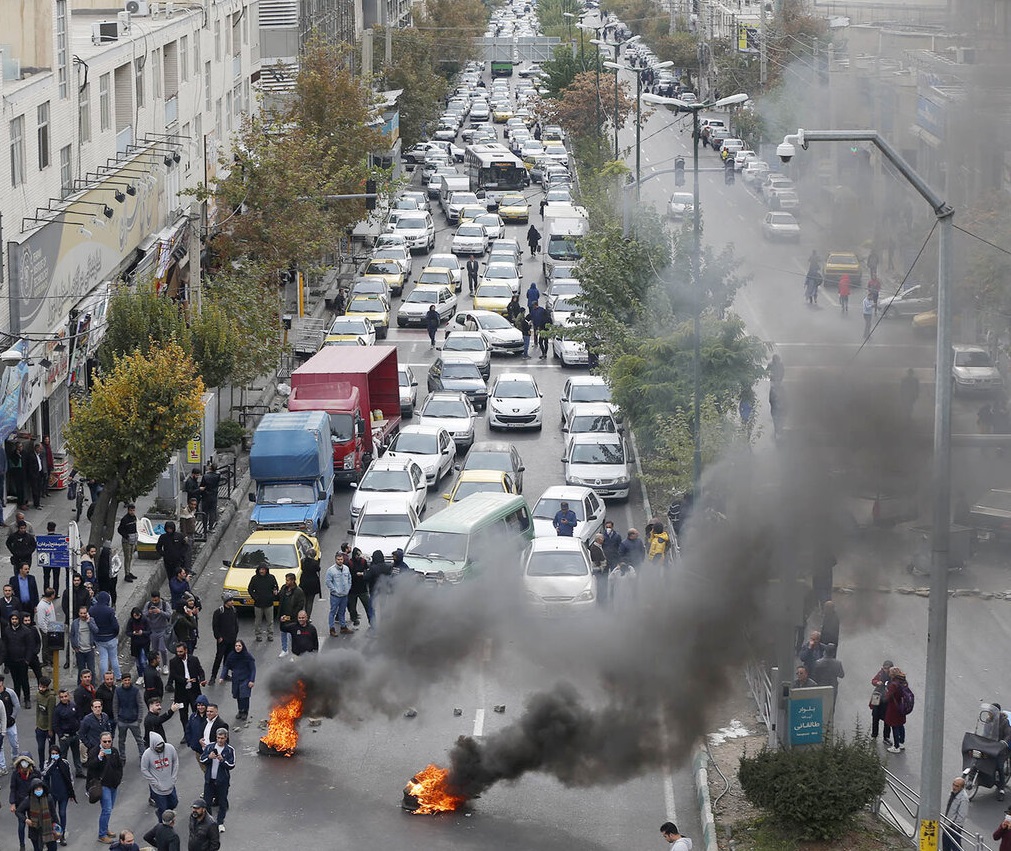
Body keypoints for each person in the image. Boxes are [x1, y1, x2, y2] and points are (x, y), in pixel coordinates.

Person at [85, 731, 123, 843]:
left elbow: (119, 766)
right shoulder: (94, 751)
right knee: (106, 809)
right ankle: (102, 834)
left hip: (113, 784)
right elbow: (90, 766)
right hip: (102, 785)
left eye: (109, 741)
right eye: (104, 741)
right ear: (100, 741)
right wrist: (99, 758)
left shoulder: (114, 751)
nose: (107, 744)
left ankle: (105, 828)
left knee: (109, 809)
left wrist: (118, 779)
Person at [167, 644, 206, 740]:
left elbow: (200, 671)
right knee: (183, 716)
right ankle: (187, 734)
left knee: (197, 712)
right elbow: (174, 675)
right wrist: (185, 680)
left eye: (181, 651)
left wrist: (202, 680)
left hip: (194, 691)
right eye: (177, 652)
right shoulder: (173, 662)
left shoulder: (194, 659)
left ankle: (199, 732)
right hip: (181, 694)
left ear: (186, 650)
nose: (179, 654)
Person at [199, 729, 235, 832]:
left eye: (222, 738)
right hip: (209, 780)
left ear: (226, 738)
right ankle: (209, 822)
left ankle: (220, 822)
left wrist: (222, 761)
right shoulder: (210, 747)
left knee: (222, 803)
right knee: (207, 802)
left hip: (222, 781)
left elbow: (232, 765)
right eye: (218, 738)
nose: (220, 740)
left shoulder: (229, 750)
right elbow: (202, 759)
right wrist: (209, 757)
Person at [42, 742, 76, 847]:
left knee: (62, 813)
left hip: (64, 794)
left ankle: (62, 835)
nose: (54, 755)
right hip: (52, 794)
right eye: (52, 753)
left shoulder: (64, 763)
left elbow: (70, 778)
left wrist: (71, 792)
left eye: (56, 753)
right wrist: (53, 763)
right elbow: (44, 775)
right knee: (52, 815)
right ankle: (51, 834)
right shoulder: (47, 763)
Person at [140, 732, 179, 822]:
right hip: (158, 789)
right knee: (163, 808)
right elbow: (144, 769)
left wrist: (173, 777)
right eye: (158, 748)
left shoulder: (170, 748)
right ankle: (163, 824)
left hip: (170, 784)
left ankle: (166, 815)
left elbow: (175, 761)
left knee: (174, 803)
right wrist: (155, 783)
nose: (160, 749)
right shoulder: (147, 754)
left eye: (162, 747)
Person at [17, 776, 60, 851]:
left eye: (40, 788)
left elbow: (53, 813)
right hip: (35, 830)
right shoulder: (28, 800)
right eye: (36, 789)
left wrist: (58, 827)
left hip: (48, 829)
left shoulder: (48, 798)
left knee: (53, 848)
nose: (39, 790)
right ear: (33, 790)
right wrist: (26, 819)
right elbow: (18, 811)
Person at [218, 641, 255, 723]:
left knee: (244, 696)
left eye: (239, 646)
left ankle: (245, 711)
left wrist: (252, 680)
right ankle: (240, 710)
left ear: (243, 647)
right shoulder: (231, 655)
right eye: (236, 646)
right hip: (236, 679)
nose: (237, 647)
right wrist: (222, 677)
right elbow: (226, 666)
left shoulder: (247, 656)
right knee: (238, 695)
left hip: (245, 678)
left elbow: (253, 669)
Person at [10, 754, 41, 850]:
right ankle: (22, 845)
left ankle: (38, 844)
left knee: (35, 824)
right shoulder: (16, 774)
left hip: (33, 801)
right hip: (20, 801)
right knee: (22, 824)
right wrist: (12, 803)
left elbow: (40, 786)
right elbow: (13, 788)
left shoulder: (35, 773)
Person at [52, 688, 84, 778]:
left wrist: (79, 728)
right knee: (63, 756)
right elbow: (55, 724)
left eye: (65, 696)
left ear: (69, 696)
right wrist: (61, 735)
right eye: (62, 697)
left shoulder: (73, 705)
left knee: (77, 754)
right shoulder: (57, 709)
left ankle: (79, 771)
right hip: (65, 737)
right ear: (59, 698)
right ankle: (63, 772)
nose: (64, 698)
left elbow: (78, 717)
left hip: (75, 735)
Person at [6, 612, 35, 706]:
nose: (14, 621)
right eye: (12, 619)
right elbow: (5, 646)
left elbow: (30, 646)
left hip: (22, 660)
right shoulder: (7, 630)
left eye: (16, 619)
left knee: (24, 680)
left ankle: (27, 699)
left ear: (19, 620)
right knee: (16, 681)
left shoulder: (26, 631)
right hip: (12, 660)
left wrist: (27, 660)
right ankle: (16, 698)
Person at [113, 673, 145, 760]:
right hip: (122, 720)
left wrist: (139, 719)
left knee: (139, 740)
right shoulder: (118, 691)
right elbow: (115, 704)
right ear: (122, 681)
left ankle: (143, 756)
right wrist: (116, 718)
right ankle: (122, 757)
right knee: (121, 741)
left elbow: (140, 704)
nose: (127, 682)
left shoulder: (136, 690)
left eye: (128, 680)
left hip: (134, 720)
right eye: (125, 680)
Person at [208, 595, 238, 682]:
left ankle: (225, 674)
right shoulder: (219, 612)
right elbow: (215, 626)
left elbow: (235, 623)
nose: (232, 602)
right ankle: (213, 676)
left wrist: (235, 634)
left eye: (232, 600)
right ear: (225, 602)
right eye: (230, 600)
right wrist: (218, 637)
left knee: (228, 658)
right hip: (223, 640)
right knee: (219, 658)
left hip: (231, 639)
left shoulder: (234, 610)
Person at [246, 564, 278, 643]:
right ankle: (258, 635)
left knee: (270, 621)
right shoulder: (254, 578)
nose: (261, 571)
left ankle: (270, 635)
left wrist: (274, 593)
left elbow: (276, 587)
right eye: (260, 569)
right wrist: (255, 597)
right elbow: (250, 589)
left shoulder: (271, 578)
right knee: (258, 621)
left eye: (263, 569)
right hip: (258, 604)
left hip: (269, 603)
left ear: (266, 570)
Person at [277, 573, 306, 658]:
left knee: (292, 636)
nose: (286, 582)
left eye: (288, 580)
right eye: (286, 580)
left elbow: (300, 605)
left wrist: (292, 616)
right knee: (283, 633)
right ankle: (284, 650)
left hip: (292, 618)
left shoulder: (299, 591)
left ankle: (294, 653)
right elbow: (280, 598)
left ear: (293, 581)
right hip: (283, 616)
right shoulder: (283, 588)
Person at [884, 666, 910, 753]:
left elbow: (887, 697)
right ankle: (901, 742)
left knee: (894, 726)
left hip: (894, 708)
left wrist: (886, 690)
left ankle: (896, 746)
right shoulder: (903, 681)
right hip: (902, 706)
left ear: (892, 674)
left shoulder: (893, 684)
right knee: (901, 725)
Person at [325, 552, 352, 637]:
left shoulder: (346, 569)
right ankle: (332, 628)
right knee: (333, 612)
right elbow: (328, 582)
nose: (340, 561)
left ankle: (343, 627)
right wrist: (334, 590)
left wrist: (348, 588)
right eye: (338, 559)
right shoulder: (331, 570)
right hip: (335, 596)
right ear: (335, 560)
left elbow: (349, 578)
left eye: (341, 559)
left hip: (344, 595)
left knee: (342, 611)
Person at [346, 550, 373, 630]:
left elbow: (367, 570)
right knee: (352, 607)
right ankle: (354, 619)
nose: (359, 556)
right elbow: (348, 575)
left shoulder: (363, 561)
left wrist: (363, 574)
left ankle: (371, 621)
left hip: (362, 588)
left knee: (368, 606)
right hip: (352, 589)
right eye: (357, 555)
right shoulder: (349, 563)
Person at [146, 595, 172, 674]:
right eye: (153, 600)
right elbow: (143, 614)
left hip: (163, 630)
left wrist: (160, 612)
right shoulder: (148, 604)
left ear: (159, 598)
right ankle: (156, 665)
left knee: (163, 649)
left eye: (156, 600)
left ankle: (165, 665)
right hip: (153, 630)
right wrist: (148, 612)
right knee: (154, 649)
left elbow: (169, 614)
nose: (154, 602)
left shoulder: (165, 604)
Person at [0, 674, 20, 774]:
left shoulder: (10, 692)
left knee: (14, 744)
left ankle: (15, 758)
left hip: (10, 724)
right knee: (0, 747)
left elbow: (17, 705)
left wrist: (12, 717)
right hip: (0, 727)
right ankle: (2, 766)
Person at [33, 676, 56, 764]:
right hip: (40, 726)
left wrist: (50, 729)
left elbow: (51, 714)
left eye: (43, 687)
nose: (41, 688)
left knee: (52, 748)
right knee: (40, 748)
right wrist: (37, 723)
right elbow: (38, 710)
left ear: (47, 687)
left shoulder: (51, 697)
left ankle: (52, 763)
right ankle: (41, 765)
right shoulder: (38, 694)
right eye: (40, 686)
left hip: (48, 727)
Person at [943, 776, 969, 851]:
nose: (954, 787)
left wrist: (955, 826)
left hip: (954, 827)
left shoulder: (964, 799)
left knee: (955, 847)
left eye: (957, 786)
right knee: (946, 845)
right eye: (953, 784)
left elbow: (962, 815)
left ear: (962, 787)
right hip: (947, 824)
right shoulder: (953, 793)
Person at [117, 505, 139, 583]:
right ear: (128, 510)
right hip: (127, 542)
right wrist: (126, 536)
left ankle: (129, 572)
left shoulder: (134, 518)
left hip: (133, 540)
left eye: (133, 510)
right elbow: (119, 529)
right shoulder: (125, 519)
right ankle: (126, 574)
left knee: (131, 557)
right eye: (131, 510)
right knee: (127, 557)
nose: (132, 512)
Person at [298, 550, 321, 620]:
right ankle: (308, 617)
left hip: (304, 582)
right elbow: (318, 569)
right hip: (312, 583)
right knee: (310, 601)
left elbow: (301, 568)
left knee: (304, 600)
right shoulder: (315, 563)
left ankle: (303, 615)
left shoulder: (303, 561)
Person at [199, 465, 220, 532]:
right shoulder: (217, 476)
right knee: (212, 512)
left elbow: (202, 485)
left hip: (205, 496)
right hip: (213, 496)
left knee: (205, 513)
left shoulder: (205, 476)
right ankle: (210, 527)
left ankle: (205, 528)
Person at [589, 533, 608, 607]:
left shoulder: (598, 546)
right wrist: (601, 567)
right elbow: (596, 561)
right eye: (602, 538)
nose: (603, 540)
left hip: (601, 570)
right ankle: (600, 602)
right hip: (599, 571)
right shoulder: (595, 548)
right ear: (598, 539)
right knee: (600, 585)